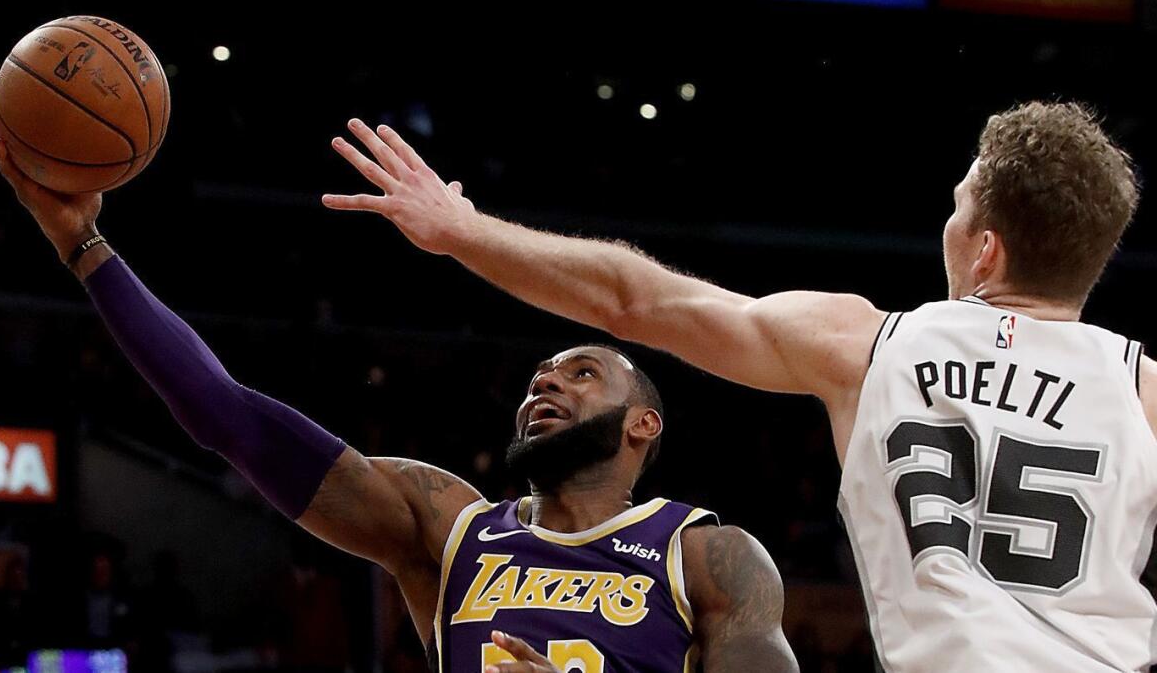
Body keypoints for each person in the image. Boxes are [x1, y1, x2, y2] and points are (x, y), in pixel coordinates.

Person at [0, 94, 796, 673]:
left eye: (581, 371)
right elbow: (230, 418)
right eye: (538, 373)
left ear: (644, 424)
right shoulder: (446, 528)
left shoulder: (709, 554)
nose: (546, 382)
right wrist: (85, 247)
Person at [324, 102, 1152, 671]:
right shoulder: (1143, 385)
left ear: (985, 252)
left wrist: (465, 233)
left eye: (959, 206)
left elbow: (633, 298)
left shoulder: (869, 343)